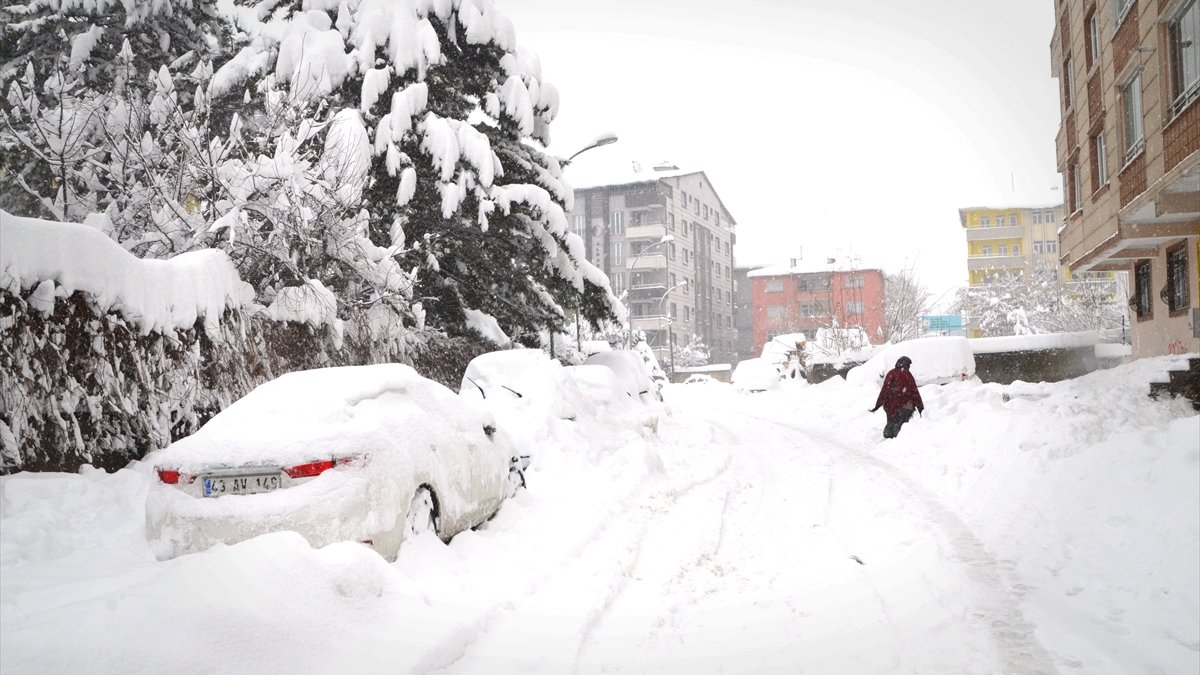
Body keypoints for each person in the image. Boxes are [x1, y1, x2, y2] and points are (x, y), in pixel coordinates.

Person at [870, 356, 924, 439]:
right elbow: (914, 391)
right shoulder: (907, 374)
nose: (909, 367)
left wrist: (878, 405)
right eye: (908, 365)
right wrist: (920, 407)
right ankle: (897, 438)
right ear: (906, 365)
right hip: (904, 405)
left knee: (892, 421)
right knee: (901, 424)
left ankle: (888, 433)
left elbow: (884, 390)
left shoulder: (890, 373)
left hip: (890, 405)